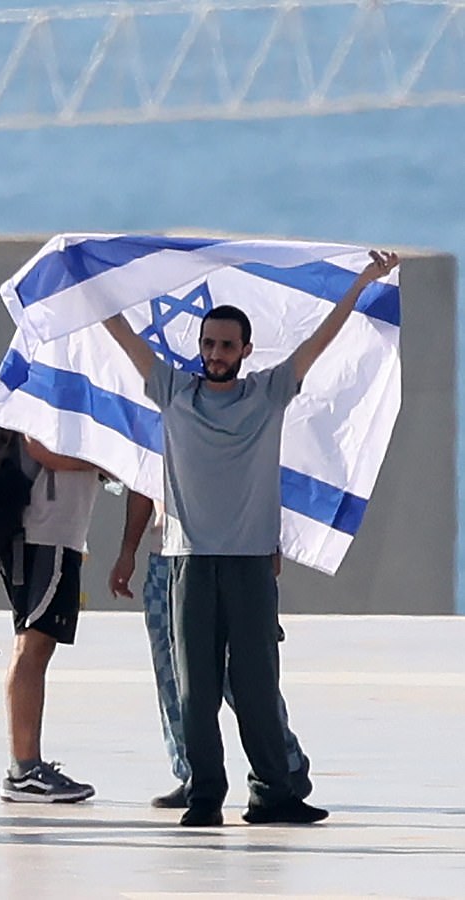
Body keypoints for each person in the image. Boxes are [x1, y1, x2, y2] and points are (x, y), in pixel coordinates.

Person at [104, 249, 399, 826]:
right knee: (197, 691)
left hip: (249, 566)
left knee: (258, 686)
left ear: (244, 351)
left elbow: (323, 339)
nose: (215, 354)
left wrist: (365, 280)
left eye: (226, 346)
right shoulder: (173, 392)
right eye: (208, 344)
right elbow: (117, 331)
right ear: (200, 349)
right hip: (190, 562)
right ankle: (204, 797)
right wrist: (79, 276)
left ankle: (273, 794)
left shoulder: (267, 394)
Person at [108, 490, 312, 808]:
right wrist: (127, 550)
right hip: (167, 554)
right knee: (174, 672)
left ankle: (286, 763)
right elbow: (141, 481)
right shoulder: (159, 438)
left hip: (232, 548)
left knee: (244, 670)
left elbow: (262, 477)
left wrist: (272, 543)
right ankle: (192, 774)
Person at [0, 435, 101, 803]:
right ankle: (24, 770)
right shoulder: (43, 377)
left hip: (53, 530)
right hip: (45, 529)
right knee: (34, 643)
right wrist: (102, 461)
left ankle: (26, 767)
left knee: (36, 642)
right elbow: (39, 448)